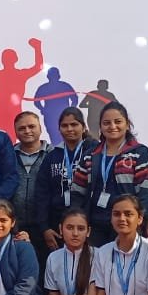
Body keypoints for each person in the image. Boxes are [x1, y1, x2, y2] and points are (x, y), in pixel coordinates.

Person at [72, 102, 148, 247]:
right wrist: (78, 221)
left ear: (127, 124)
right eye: (106, 123)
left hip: (126, 224)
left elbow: (147, 191)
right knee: (96, 261)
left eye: (118, 122)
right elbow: (77, 192)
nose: (112, 126)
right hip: (95, 225)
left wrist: (139, 220)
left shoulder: (139, 153)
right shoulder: (90, 155)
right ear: (100, 126)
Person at [37, 107, 100, 251]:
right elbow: (42, 193)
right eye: (64, 126)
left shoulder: (96, 152)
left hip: (89, 221)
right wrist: (45, 227)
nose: (69, 129)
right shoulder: (52, 156)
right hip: (57, 224)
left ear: (83, 127)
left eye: (74, 124)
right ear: (59, 129)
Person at [12, 112, 51, 262]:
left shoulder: (53, 154)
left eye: (31, 126)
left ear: (40, 128)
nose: (27, 131)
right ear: (16, 132)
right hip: (15, 227)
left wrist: (47, 225)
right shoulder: (8, 155)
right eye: (22, 128)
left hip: (46, 228)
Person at [33, 67, 78, 146]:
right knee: (53, 135)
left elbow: (74, 99)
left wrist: (70, 111)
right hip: (50, 116)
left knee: (65, 134)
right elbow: (36, 101)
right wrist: (42, 109)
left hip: (63, 116)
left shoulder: (64, 86)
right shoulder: (44, 87)